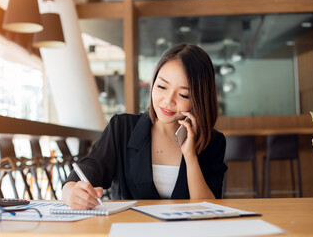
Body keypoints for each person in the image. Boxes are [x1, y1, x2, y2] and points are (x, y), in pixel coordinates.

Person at [62, 43, 227, 209]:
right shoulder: (122, 128)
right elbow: (77, 179)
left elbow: (209, 209)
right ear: (153, 83)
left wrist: (190, 156)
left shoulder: (213, 141)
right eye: (162, 86)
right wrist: (72, 194)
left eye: (184, 94)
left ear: (200, 99)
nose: (168, 101)